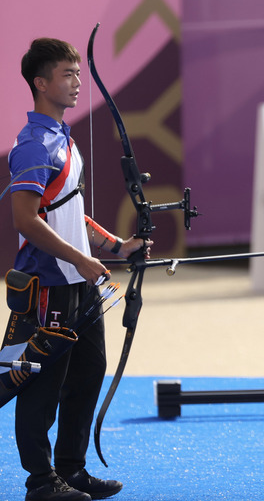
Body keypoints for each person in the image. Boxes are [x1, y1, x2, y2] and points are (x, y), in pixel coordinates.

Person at [6, 38, 152, 501]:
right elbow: (25, 221)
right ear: (40, 82)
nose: (76, 82)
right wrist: (80, 260)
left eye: (78, 73)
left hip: (77, 283)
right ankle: (41, 482)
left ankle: (71, 470)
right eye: (67, 74)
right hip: (48, 285)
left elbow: (69, 213)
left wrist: (117, 245)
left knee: (89, 372)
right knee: (39, 383)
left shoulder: (62, 139)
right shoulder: (33, 146)